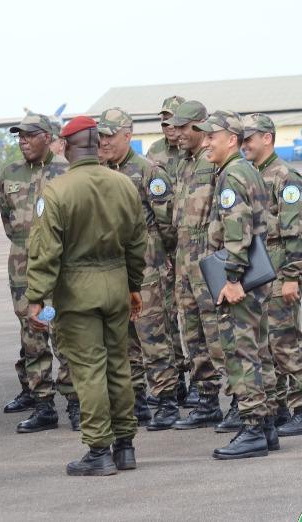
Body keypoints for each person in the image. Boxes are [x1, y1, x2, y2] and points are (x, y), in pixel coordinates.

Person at [26, 116, 147, 476]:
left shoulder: (58, 191)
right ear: (96, 146)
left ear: (65, 146)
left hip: (78, 292)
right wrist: (134, 286)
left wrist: (37, 297)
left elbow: (45, 252)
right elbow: (138, 242)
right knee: (118, 366)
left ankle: (98, 450)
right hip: (116, 286)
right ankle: (125, 446)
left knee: (89, 370)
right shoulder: (123, 184)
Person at [195, 110, 278, 459]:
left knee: (241, 352)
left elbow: (238, 230)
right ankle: (269, 426)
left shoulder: (232, 175)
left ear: (231, 138)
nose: (205, 142)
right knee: (259, 351)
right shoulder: (247, 170)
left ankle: (253, 429)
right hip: (254, 280)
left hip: (240, 281)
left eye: (211, 136)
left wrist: (230, 280)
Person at [97, 108, 179, 430]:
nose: (103, 141)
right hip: (112, 264)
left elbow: (167, 224)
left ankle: (167, 401)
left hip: (146, 265)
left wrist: (162, 259)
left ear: (127, 136)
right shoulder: (99, 171)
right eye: (100, 135)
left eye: (109, 135)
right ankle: (138, 399)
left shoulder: (148, 171)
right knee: (123, 337)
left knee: (151, 334)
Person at [0, 113, 78, 433]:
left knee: (64, 331)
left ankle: (75, 402)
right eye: (19, 136)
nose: (23, 141)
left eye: (30, 136)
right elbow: (9, 222)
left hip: (61, 265)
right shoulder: (10, 174)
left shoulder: (67, 172)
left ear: (48, 137)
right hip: (22, 266)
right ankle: (43, 403)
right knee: (32, 334)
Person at [165, 101, 227, 429]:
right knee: (192, 331)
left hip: (209, 257)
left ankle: (239, 400)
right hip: (184, 259)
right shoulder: (183, 163)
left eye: (185, 127)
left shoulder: (213, 162)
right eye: (175, 127)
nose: (177, 133)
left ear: (201, 127)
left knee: (217, 331)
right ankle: (207, 399)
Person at [241, 113, 302, 437]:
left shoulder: (285, 178)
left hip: (281, 273)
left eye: (249, 137)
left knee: (286, 344)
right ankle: (278, 408)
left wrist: (292, 276)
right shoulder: (252, 176)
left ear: (267, 138)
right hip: (262, 274)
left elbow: (296, 232)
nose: (244, 144)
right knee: (266, 344)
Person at [146, 96, 189, 402]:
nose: (169, 127)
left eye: (174, 121)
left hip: (188, 243)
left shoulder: (195, 151)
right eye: (164, 122)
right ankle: (177, 380)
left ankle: (204, 383)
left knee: (193, 315)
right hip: (162, 248)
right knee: (165, 315)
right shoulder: (154, 153)